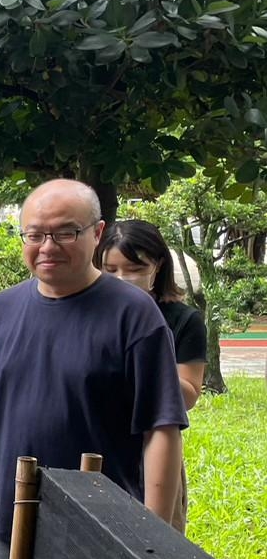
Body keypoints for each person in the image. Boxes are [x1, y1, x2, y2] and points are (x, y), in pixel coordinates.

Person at [0, 180, 189, 559]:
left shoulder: (134, 314)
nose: (48, 246)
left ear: (97, 233)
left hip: (104, 528)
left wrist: (152, 536)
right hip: (8, 520)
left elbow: (161, 429)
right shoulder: (1, 310)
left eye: (65, 232)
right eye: (35, 234)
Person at [99, 220, 207, 532]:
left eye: (134, 268)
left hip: (153, 452)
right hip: (93, 445)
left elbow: (188, 394)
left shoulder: (183, 320)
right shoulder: (86, 311)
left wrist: (145, 360)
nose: (122, 278)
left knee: (153, 547)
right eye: (110, 269)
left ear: (157, 267)